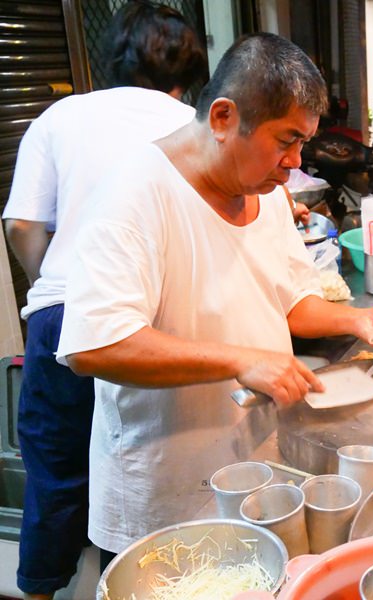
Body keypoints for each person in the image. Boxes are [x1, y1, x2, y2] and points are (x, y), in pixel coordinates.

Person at [56, 33, 373, 564]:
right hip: (165, 492)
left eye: (302, 144)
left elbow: (291, 299)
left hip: (256, 468)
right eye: (285, 140)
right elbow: (95, 347)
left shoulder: (263, 191)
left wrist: (362, 321)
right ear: (223, 118)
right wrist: (240, 360)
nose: (294, 163)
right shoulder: (133, 196)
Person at [1, 2, 206, 598]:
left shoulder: (61, 116)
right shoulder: (196, 122)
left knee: (57, 476)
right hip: (158, 322)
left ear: (108, 57)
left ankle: (41, 590)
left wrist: (62, 282)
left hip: (62, 319)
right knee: (152, 477)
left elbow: (21, 225)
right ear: (193, 67)